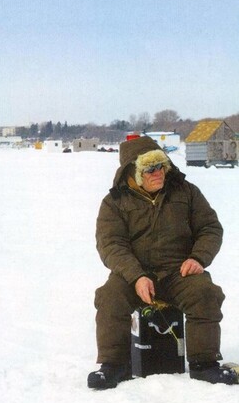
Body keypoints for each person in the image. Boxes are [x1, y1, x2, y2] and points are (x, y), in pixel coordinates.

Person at [89, 135, 237, 389]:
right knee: (110, 297)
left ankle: (204, 364)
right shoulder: (114, 202)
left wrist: (198, 258)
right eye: (150, 168)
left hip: (178, 270)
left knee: (205, 293)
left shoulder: (187, 192)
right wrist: (136, 276)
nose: (158, 173)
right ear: (134, 172)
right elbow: (111, 244)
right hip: (134, 272)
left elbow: (210, 228)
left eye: (161, 166)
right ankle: (114, 366)